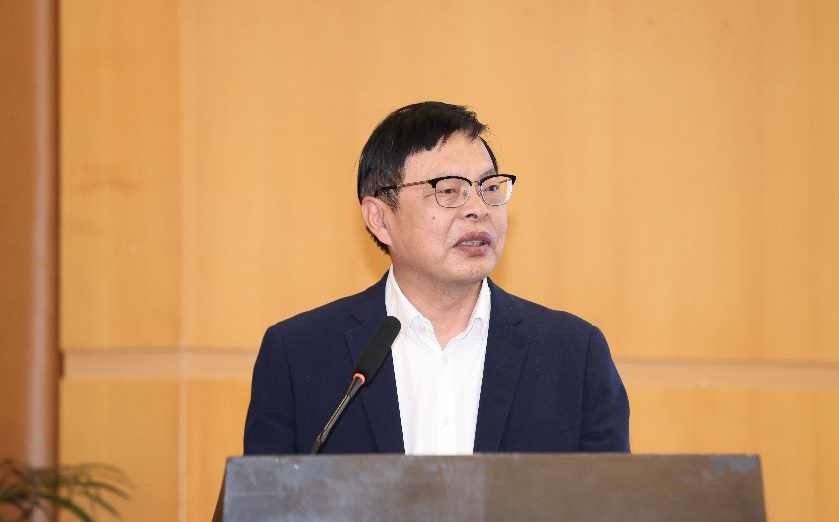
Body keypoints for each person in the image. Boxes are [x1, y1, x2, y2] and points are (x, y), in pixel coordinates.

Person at [243, 102, 629, 455]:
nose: (478, 209)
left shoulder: (574, 355)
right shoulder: (299, 356)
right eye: (449, 191)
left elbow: (613, 505)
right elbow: (261, 507)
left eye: (489, 188)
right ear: (379, 219)